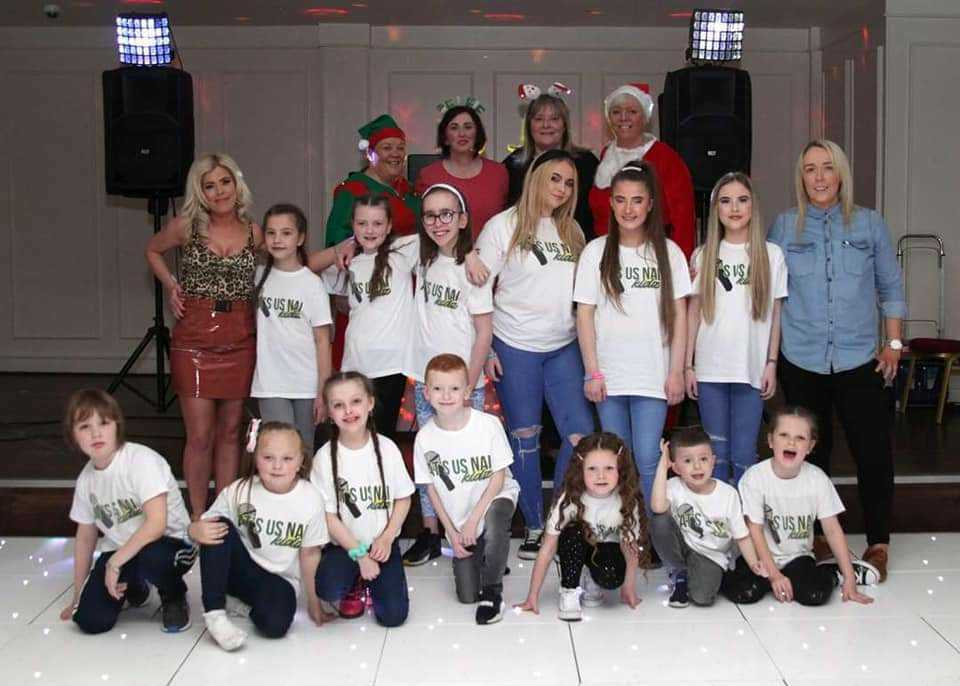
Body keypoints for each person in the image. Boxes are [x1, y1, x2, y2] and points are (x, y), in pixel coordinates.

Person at [769, 140, 906, 582]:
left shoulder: (869, 224)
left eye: (827, 167)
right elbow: (767, 292)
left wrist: (894, 343)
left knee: (873, 452)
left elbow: (891, 286)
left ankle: (879, 542)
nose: (819, 177)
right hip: (801, 357)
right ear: (801, 177)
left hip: (860, 358)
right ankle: (817, 537)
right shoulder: (784, 227)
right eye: (810, 169)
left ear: (841, 174)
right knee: (812, 452)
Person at [474, 148, 596, 560]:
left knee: (579, 435)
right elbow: (477, 288)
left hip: (563, 345)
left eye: (569, 183)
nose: (562, 189)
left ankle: (557, 518)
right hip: (515, 344)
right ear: (536, 178)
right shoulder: (501, 226)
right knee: (525, 438)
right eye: (555, 178)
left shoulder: (572, 230)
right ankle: (533, 524)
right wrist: (487, 346)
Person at [145, 152, 261, 517]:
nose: (219, 191)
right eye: (209, 186)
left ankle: (223, 514)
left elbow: (291, 259)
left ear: (236, 184)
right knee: (199, 436)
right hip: (194, 339)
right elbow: (153, 250)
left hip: (240, 337)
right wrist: (171, 285)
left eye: (225, 182)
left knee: (231, 432)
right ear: (200, 191)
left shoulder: (254, 231)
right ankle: (197, 515)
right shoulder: (186, 226)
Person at [575, 162, 690, 511]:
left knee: (648, 456)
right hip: (609, 377)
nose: (629, 209)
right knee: (616, 459)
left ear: (650, 204)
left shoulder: (668, 253)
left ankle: (650, 530)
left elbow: (680, 318)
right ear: (611, 203)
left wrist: (677, 371)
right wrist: (592, 372)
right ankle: (622, 528)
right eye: (621, 200)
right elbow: (584, 315)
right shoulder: (595, 252)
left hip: (653, 376)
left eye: (637, 200)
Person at [401, 184, 494, 566]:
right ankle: (430, 532)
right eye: (430, 215)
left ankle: (473, 530)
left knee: (469, 459)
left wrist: (469, 384)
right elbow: (373, 239)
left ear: (462, 219)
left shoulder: (475, 270)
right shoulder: (419, 256)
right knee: (431, 457)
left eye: (447, 214)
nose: (438, 222)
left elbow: (484, 332)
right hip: (427, 384)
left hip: (465, 385)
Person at [60, 389, 194, 634]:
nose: (96, 433)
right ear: (73, 435)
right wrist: (78, 595)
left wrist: (115, 564)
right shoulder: (86, 480)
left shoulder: (140, 461)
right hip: (124, 550)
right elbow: (85, 538)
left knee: (152, 558)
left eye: (104, 423)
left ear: (117, 426)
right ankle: (136, 586)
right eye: (85, 427)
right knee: (90, 620)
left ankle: (174, 595)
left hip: (171, 544)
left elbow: (156, 524)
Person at [190, 421, 331, 650]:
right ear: (256, 458)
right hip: (240, 569)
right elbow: (204, 528)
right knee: (216, 525)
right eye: (268, 458)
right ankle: (215, 614)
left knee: (275, 626)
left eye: (287, 459)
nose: (277, 466)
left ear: (300, 462)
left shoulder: (311, 498)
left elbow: (309, 554)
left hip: (278, 580)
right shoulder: (239, 490)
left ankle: (240, 605)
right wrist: (193, 529)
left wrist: (314, 602)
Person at [685, 173, 787, 484]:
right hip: (710, 369)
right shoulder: (703, 255)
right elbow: (693, 314)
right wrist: (688, 365)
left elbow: (775, 314)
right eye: (726, 201)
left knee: (744, 455)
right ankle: (719, 514)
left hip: (750, 369)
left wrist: (771, 363)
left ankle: (744, 513)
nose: (734, 208)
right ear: (716, 209)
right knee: (716, 455)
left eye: (742, 200)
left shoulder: (771, 255)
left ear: (753, 206)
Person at [724, 406, 878, 606]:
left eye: (800, 438)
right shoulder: (755, 478)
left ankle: (834, 572)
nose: (791, 442)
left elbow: (832, 530)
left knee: (814, 595)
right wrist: (774, 575)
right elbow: (755, 530)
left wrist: (849, 577)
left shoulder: (817, 479)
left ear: (810, 446)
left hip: (797, 557)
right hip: (760, 557)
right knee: (745, 592)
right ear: (770, 440)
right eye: (784, 435)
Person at [413, 354, 519, 624]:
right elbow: (431, 490)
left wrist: (473, 520)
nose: (446, 395)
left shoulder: (487, 425)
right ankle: (489, 555)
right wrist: (451, 531)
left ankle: (493, 593)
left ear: (467, 392)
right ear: (426, 393)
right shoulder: (424, 438)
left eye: (454, 388)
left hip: (495, 496)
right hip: (459, 512)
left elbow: (498, 477)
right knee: (467, 595)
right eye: (438, 388)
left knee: (495, 521)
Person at [318, 115, 422, 370]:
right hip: (367, 291)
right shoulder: (353, 191)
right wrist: (342, 290)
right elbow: (338, 241)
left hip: (404, 293)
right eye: (387, 148)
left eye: (400, 148)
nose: (395, 154)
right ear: (370, 154)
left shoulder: (409, 191)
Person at [312, 372, 414, 627]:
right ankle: (354, 581)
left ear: (370, 403)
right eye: (339, 405)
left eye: (356, 401)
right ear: (330, 412)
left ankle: (375, 581)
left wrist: (387, 538)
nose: (348, 411)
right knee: (327, 587)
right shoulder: (324, 458)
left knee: (393, 616)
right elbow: (328, 517)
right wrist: (359, 555)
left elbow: (403, 498)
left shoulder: (387, 448)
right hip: (346, 546)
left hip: (381, 544)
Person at [515, 432, 645, 622]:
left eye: (609, 468)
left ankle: (592, 577)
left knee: (612, 575)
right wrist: (532, 596)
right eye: (592, 469)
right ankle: (569, 591)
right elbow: (547, 548)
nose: (601, 476)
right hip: (575, 545)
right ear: (580, 470)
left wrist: (629, 587)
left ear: (620, 468)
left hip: (605, 549)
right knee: (573, 533)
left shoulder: (626, 499)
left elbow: (629, 545)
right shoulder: (569, 498)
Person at [322, 195, 418, 441]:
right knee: (352, 435)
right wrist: (343, 246)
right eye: (362, 223)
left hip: (392, 363)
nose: (370, 230)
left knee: (382, 437)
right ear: (352, 226)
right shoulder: (348, 259)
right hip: (356, 361)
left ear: (389, 226)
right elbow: (306, 266)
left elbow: (445, 237)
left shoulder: (403, 250)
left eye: (377, 223)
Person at [252, 204, 342, 455]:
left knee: (304, 451)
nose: (277, 239)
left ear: (300, 238)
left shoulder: (312, 284)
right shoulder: (258, 277)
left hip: (306, 384)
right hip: (270, 382)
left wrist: (322, 391)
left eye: (286, 233)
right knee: (279, 448)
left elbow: (323, 341)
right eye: (271, 233)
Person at [649, 426, 765, 608]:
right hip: (684, 545)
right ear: (676, 467)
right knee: (659, 520)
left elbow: (742, 536)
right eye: (688, 461)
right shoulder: (674, 486)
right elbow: (657, 507)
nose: (697, 466)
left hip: (711, 555)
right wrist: (663, 466)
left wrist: (753, 564)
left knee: (702, 598)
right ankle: (679, 573)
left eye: (703, 459)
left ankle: (704, 576)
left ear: (713, 462)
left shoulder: (728, 494)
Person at [589, 84, 695, 258]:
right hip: (607, 253)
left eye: (632, 112)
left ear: (645, 117)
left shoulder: (665, 156)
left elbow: (683, 217)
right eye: (616, 112)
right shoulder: (605, 154)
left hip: (651, 254)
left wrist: (681, 260)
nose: (623, 118)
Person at [502, 93, 600, 239]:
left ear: (564, 125)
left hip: (576, 244)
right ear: (529, 125)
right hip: (525, 244)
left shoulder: (587, 163)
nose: (546, 125)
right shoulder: (513, 164)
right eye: (539, 119)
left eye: (554, 119)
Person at [415, 104, 509, 239]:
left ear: (477, 134)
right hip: (443, 251)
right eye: (454, 128)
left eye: (468, 127)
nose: (462, 133)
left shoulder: (498, 173)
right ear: (445, 137)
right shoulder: (428, 175)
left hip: (492, 251)